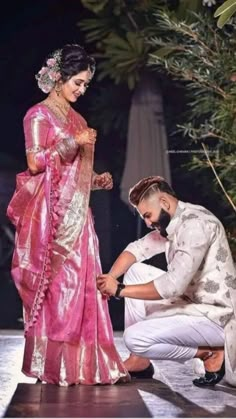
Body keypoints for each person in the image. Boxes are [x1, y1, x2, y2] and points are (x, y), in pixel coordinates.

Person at [7, 43, 129, 386]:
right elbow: (35, 163)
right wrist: (71, 143)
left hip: (78, 216)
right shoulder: (38, 115)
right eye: (77, 82)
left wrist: (98, 180)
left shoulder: (78, 120)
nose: (81, 89)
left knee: (83, 287)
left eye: (86, 84)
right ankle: (56, 366)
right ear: (59, 79)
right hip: (49, 218)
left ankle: (85, 365)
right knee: (59, 289)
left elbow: (77, 174)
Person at [97, 176, 236, 387]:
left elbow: (172, 285)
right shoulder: (174, 219)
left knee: (135, 338)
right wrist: (111, 278)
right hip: (192, 303)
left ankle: (208, 352)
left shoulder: (196, 225)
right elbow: (136, 249)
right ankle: (140, 360)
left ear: (164, 202)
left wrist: (119, 290)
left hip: (218, 317)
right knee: (135, 271)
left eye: (148, 215)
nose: (147, 222)